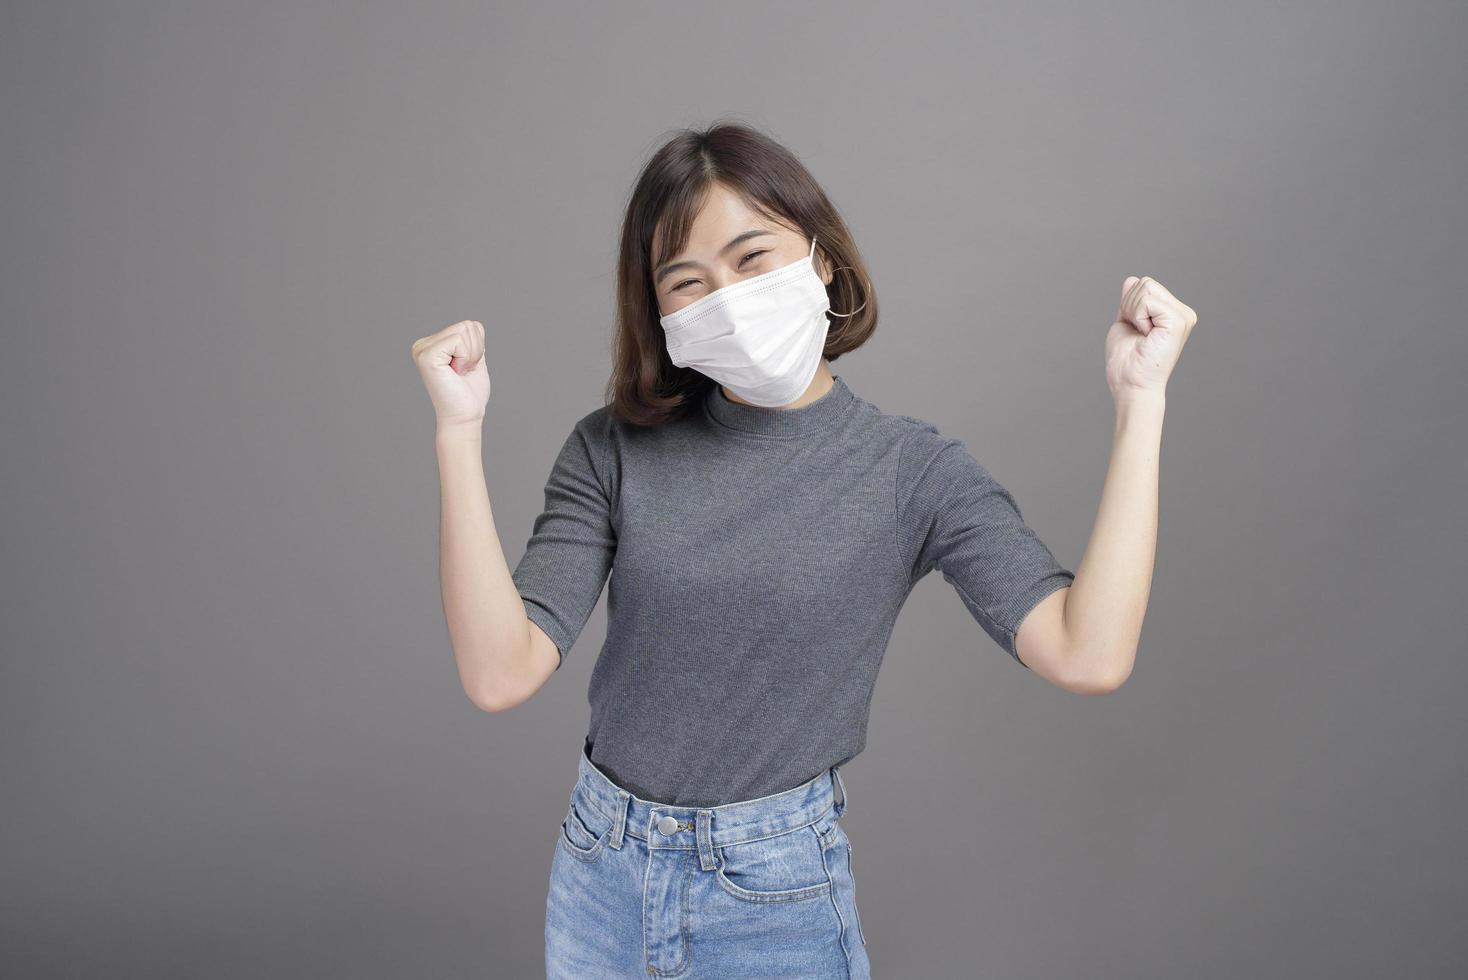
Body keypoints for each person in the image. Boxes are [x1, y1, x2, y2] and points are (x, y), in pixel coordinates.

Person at [410, 121, 1194, 979]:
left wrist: (1140, 399)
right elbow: (500, 672)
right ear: (660, 312)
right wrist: (459, 429)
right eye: (687, 281)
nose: (728, 298)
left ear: (822, 258)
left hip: (772, 897)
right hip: (601, 874)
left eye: (752, 258)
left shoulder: (910, 471)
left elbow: (1090, 652)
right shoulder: (612, 449)